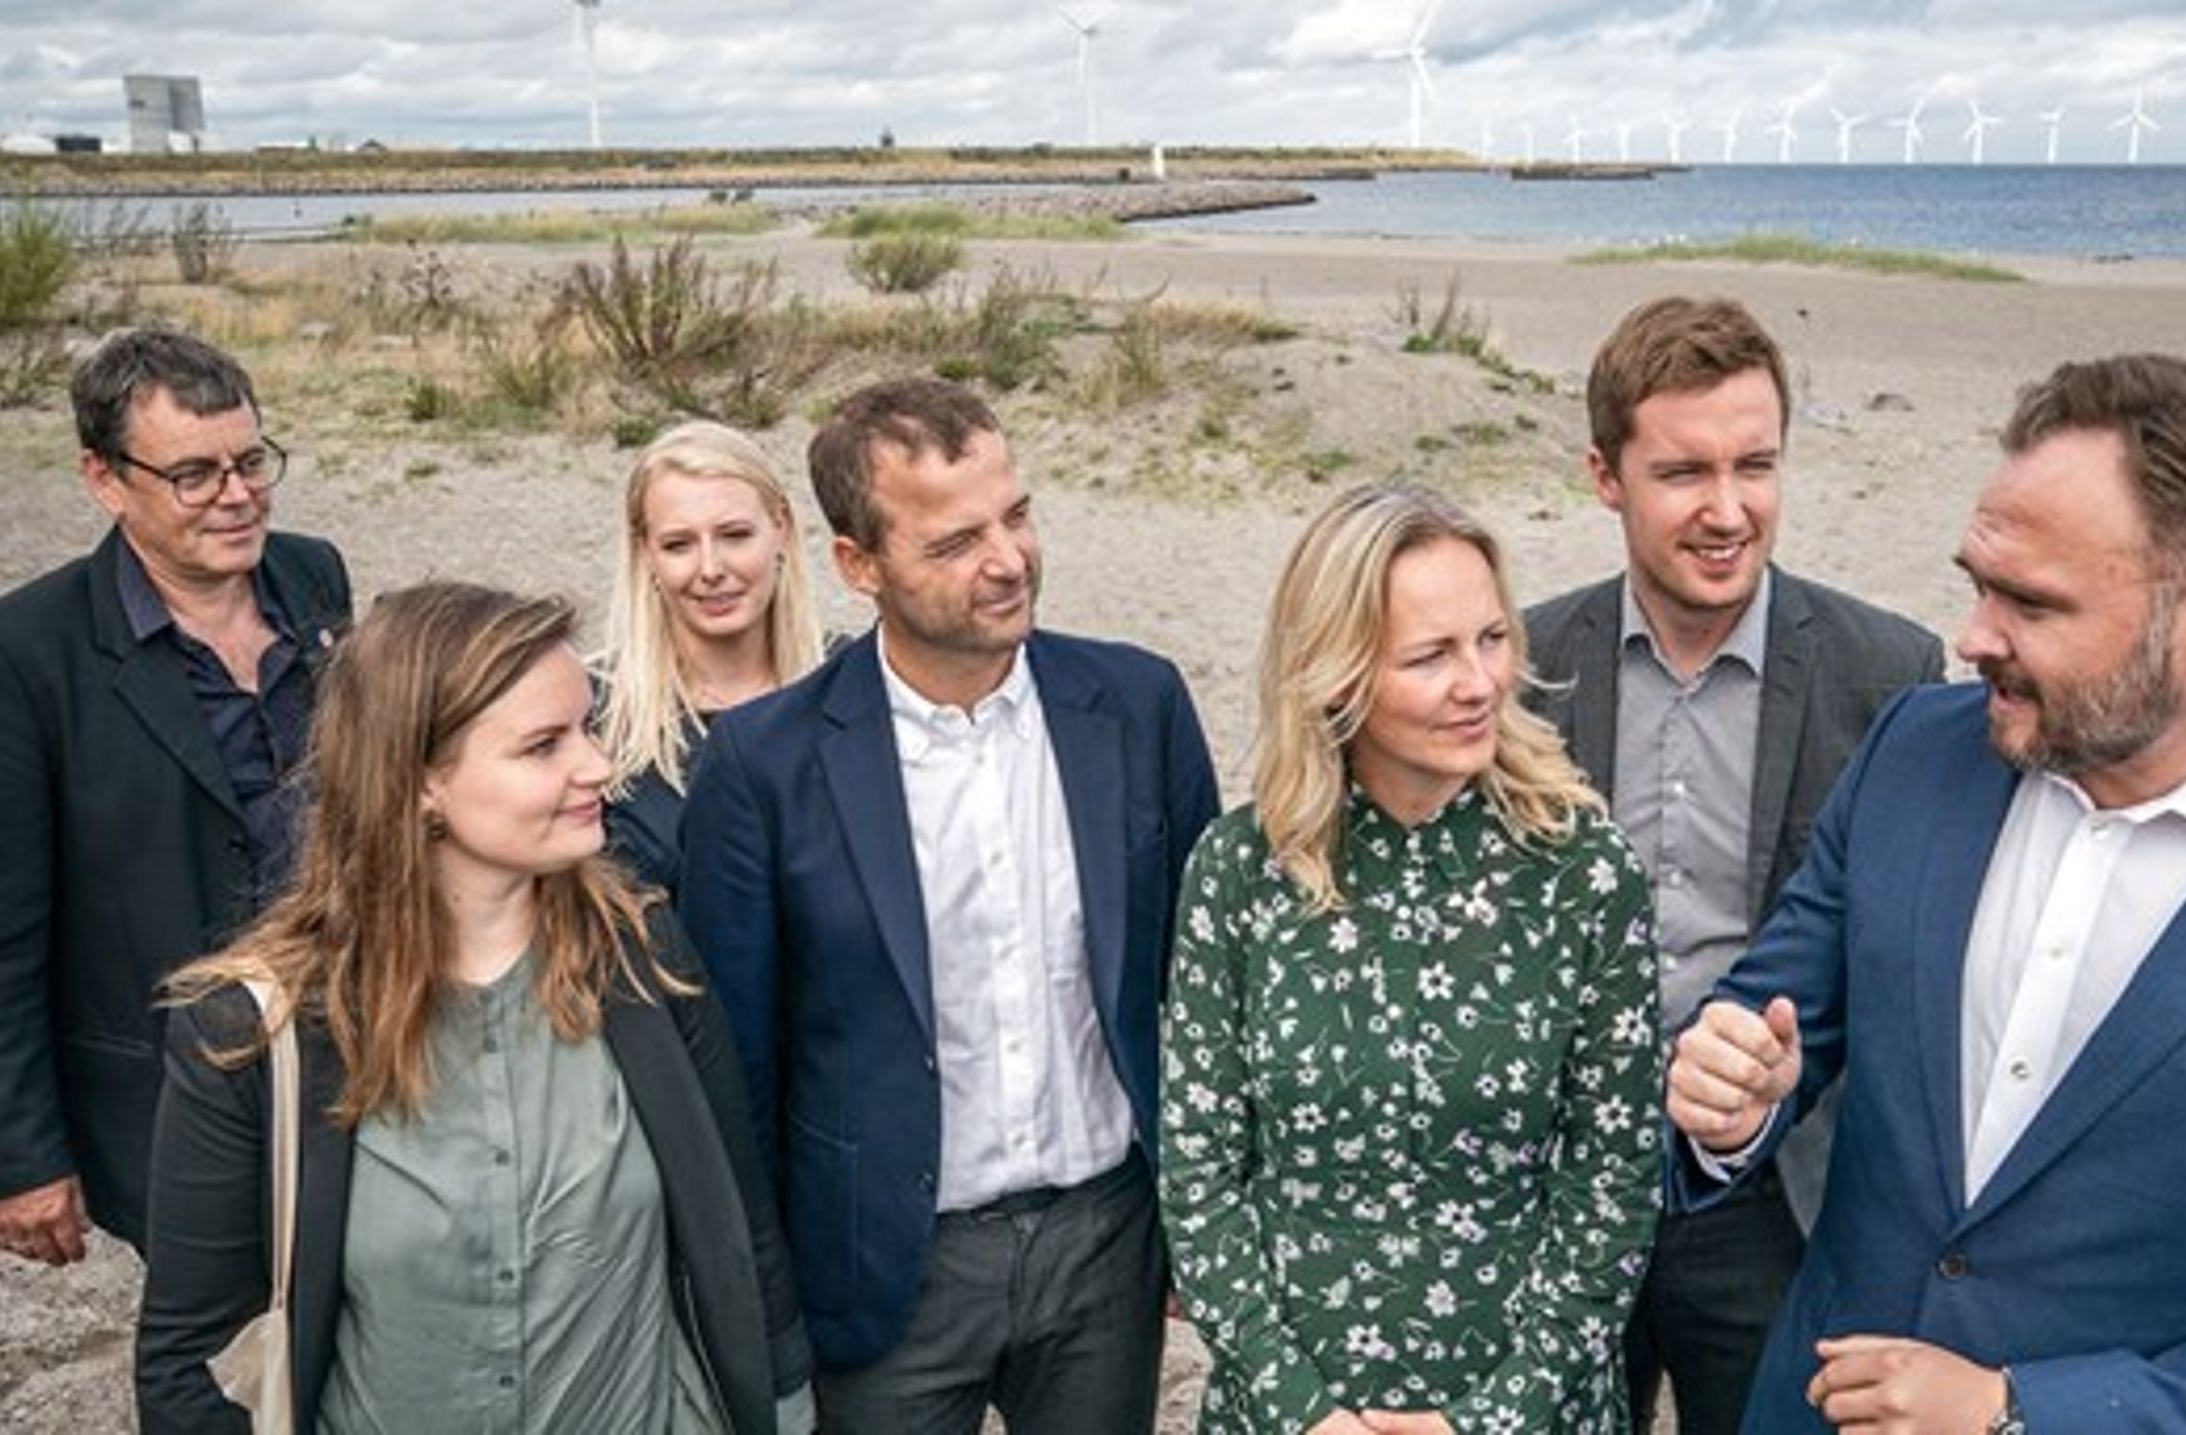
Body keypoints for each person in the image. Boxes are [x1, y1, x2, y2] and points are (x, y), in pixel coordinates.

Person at [1667, 354, 2186, 1431]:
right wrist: (1731, 1094)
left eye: (2030, 602)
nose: (1973, 636)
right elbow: (1773, 1012)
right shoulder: (1913, 751)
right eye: (1976, 582)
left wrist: (2020, 1412)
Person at [135, 582, 814, 1433]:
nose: (598, 766)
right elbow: (188, 1358)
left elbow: (741, 1227)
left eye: (587, 727)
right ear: (418, 782)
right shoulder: (254, 1027)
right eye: (542, 746)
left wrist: (787, 1411)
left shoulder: (642, 954)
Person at [677, 376, 1220, 1434]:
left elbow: (1199, 994)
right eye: (954, 540)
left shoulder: (1139, 705)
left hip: (1105, 1245)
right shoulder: (764, 766)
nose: (1008, 559)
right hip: (884, 1265)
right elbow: (734, 1064)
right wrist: (767, 1307)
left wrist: (1193, 1224)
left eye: (1015, 515)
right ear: (856, 565)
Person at [1163, 482, 1665, 1434]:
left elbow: (1614, 1186)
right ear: (1338, 673)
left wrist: (1485, 1419)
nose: (1479, 681)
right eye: (1431, 655)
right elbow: (1200, 1176)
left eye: (1490, 638)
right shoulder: (1238, 870)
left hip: (1527, 1406)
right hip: (1289, 1409)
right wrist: (1302, 1409)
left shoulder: (1586, 876)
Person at [1524, 296, 1941, 1435]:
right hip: (1552, 1186)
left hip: (1771, 1194)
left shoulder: (1891, 672)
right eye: (1683, 473)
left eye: (1754, 465)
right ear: (1604, 476)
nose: (1727, 510)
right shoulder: (1518, 666)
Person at [0, 327, 351, 1263]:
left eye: (249, 461)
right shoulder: (16, 655)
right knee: (215, 1367)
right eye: (193, 474)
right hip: (178, 1093)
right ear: (105, 479)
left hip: (348, 1051)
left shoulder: (315, 576)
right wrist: (16, 1154)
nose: (236, 495)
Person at [598, 419, 824, 892]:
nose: (710, 569)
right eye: (679, 544)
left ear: (779, 528)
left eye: (735, 535)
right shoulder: (592, 710)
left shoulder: (848, 687)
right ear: (646, 554)